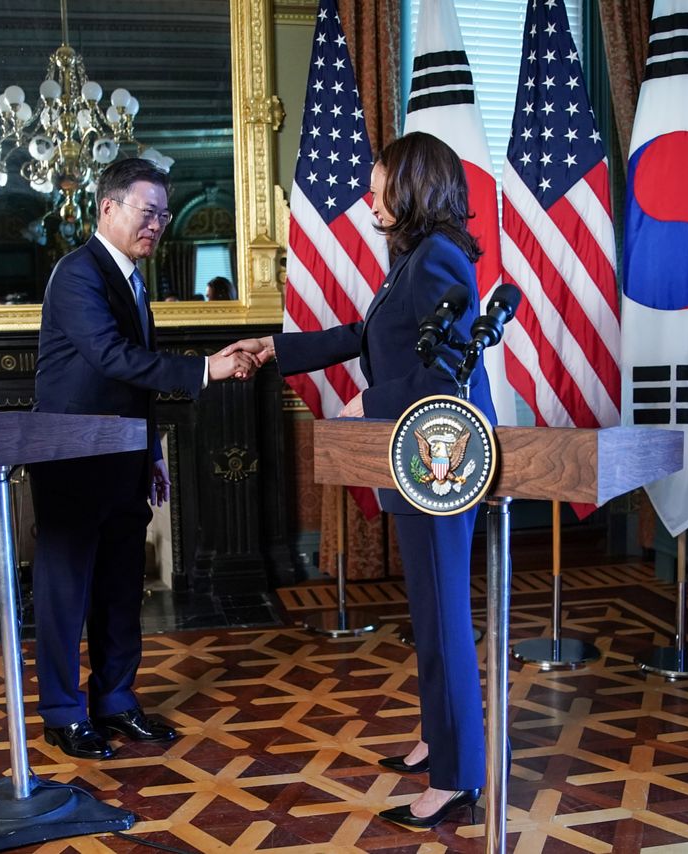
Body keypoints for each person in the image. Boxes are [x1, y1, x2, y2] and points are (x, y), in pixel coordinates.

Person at [223, 131, 494, 828]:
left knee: (444, 618)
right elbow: (366, 335)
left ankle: (457, 777)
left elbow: (446, 372)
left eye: (380, 190)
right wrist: (274, 347)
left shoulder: (437, 257)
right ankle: (438, 738)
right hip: (416, 453)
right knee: (428, 612)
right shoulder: (416, 257)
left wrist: (366, 403)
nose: (370, 203)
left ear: (414, 188)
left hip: (441, 457)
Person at [30, 157, 256, 761]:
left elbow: (133, 385)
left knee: (120, 589)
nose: (157, 224)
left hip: (125, 457)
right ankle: (62, 714)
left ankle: (115, 701)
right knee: (65, 594)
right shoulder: (76, 274)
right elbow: (110, 357)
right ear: (108, 208)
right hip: (70, 460)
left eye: (163, 214)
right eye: (147, 211)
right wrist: (205, 368)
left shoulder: (133, 280)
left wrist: (152, 450)